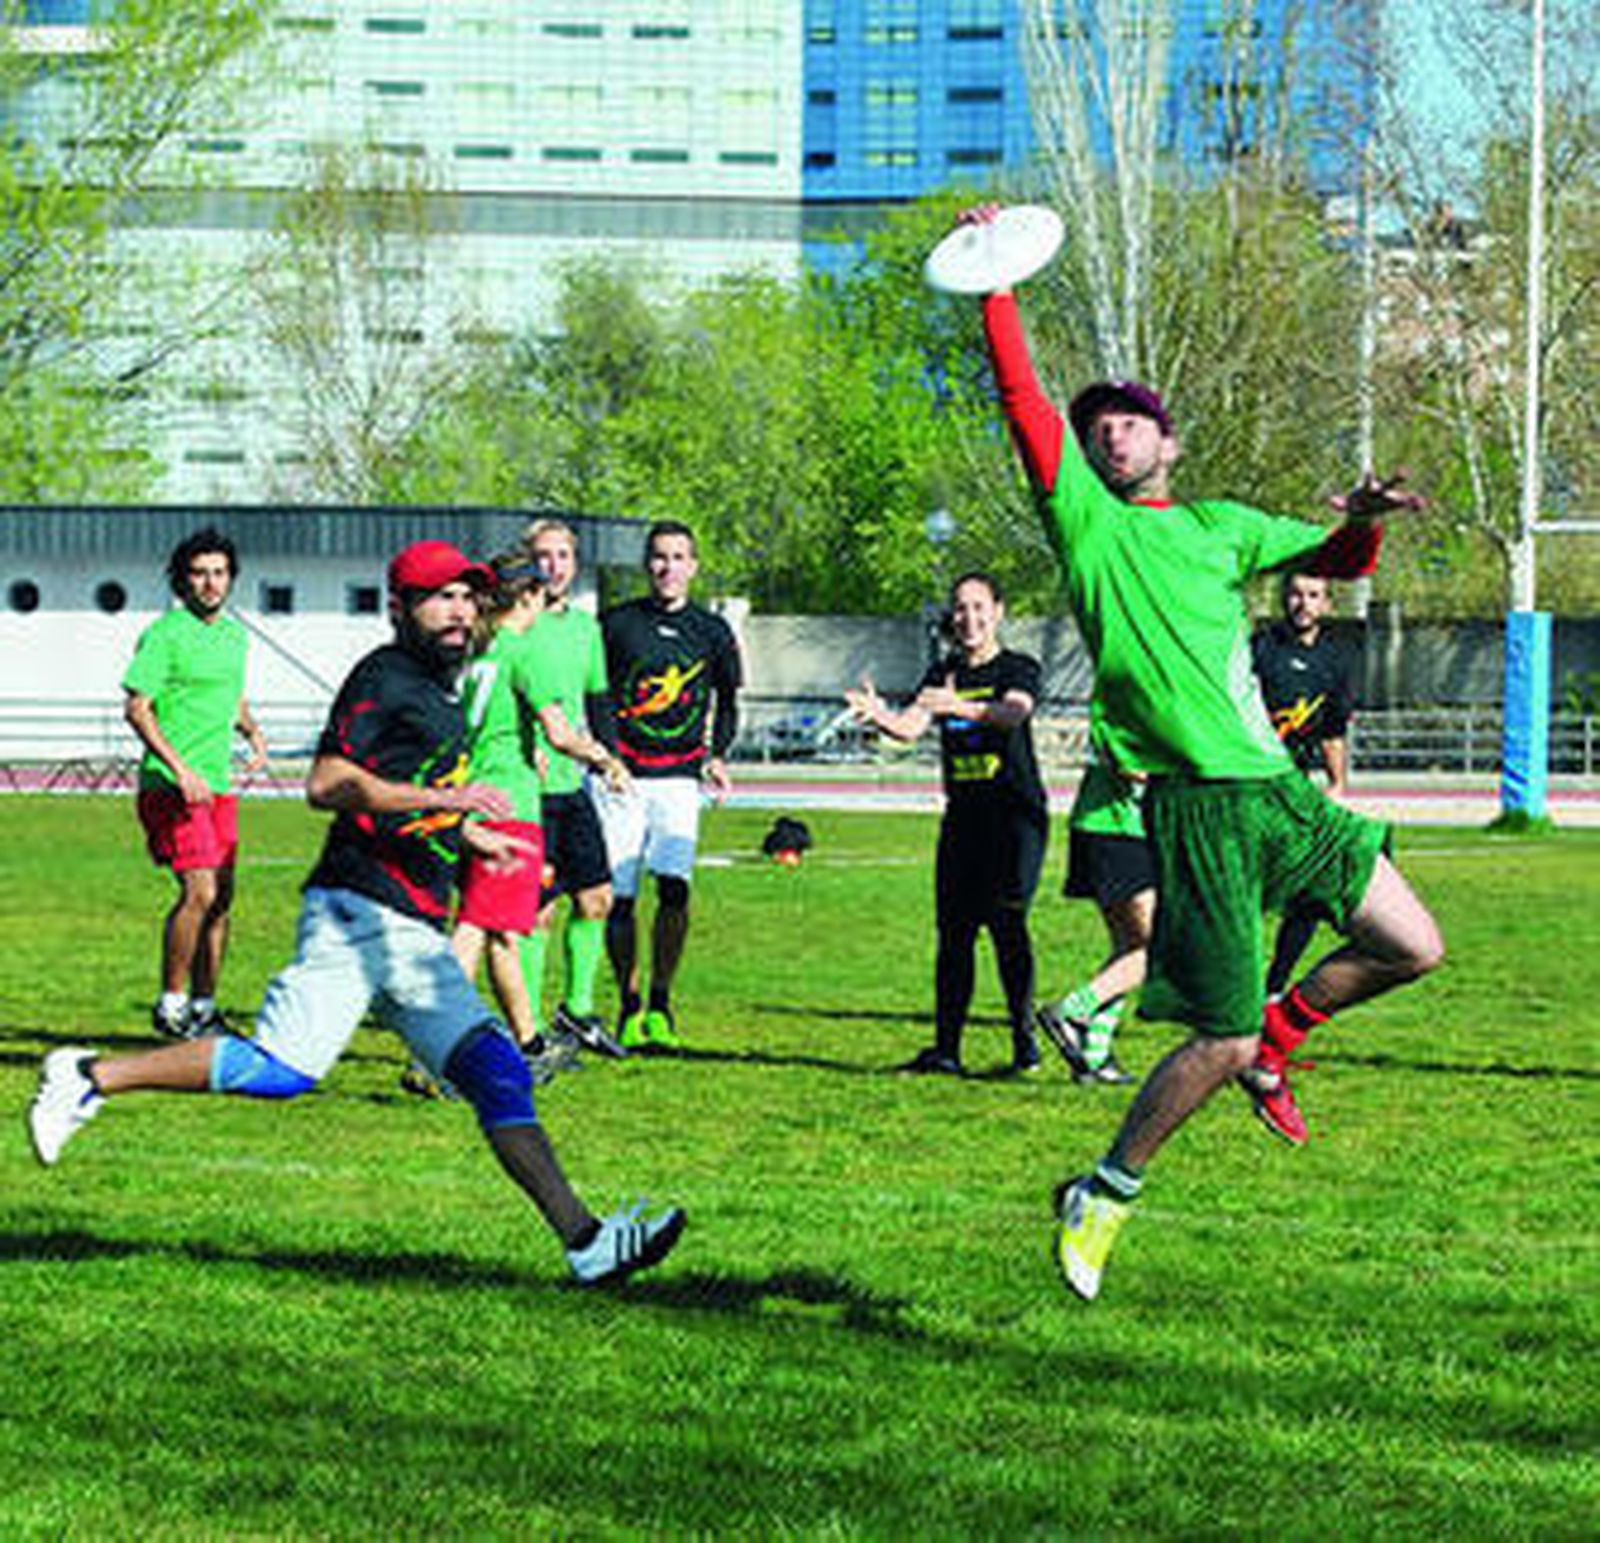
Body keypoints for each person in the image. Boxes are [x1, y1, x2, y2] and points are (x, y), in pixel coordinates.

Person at [958, 205, 1444, 1301]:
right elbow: (1023, 400)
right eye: (1098, 428)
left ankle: (1284, 1031)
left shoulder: (1222, 523)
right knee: (1212, 1041)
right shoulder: (1084, 522)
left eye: (1130, 423)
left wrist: (1365, 517)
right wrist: (996, 280)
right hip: (1198, 808)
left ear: (1168, 441)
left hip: (1277, 791)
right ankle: (1106, 1188)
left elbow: (1340, 557)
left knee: (1413, 942)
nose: (1109, 433)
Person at [29, 540, 685, 1287]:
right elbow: (328, 780)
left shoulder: (444, 686)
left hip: (407, 921)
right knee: (282, 1069)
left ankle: (587, 1243)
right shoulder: (388, 675)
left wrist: (468, 832)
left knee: (500, 1073)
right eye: (439, 597)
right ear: (398, 608)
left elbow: (406, 794)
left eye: (468, 597)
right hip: (359, 911)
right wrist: (447, 802)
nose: (459, 610)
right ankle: (87, 1075)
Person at [846, 572, 1047, 1077]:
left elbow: (1013, 713)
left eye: (979, 607)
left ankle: (1026, 1046)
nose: (969, 618)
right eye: (960, 608)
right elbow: (912, 727)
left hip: (1014, 821)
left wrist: (958, 706)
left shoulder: (1017, 667)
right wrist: (878, 714)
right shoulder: (941, 672)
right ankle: (946, 1050)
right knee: (954, 934)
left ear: (998, 611)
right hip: (964, 822)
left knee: (1007, 927)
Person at [451, 551, 630, 1062]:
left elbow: (483, 726)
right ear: (529, 595)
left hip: (474, 797)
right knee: (474, 930)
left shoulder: (477, 653)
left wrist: (525, 747)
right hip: (510, 806)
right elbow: (561, 732)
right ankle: (439, 1049)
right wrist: (604, 759)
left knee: (501, 930)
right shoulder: (522, 650)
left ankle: (529, 1045)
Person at [599, 520, 742, 1050]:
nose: (668, 567)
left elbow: (729, 700)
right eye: (659, 557)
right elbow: (595, 694)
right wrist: (607, 755)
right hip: (622, 780)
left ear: (694, 566)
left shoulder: (712, 631)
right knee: (620, 898)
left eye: (679, 557)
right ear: (647, 564)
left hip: (680, 781)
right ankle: (628, 1005)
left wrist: (719, 754)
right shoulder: (615, 624)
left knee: (675, 891)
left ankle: (661, 1002)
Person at [123, 527, 268, 1040]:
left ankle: (205, 1009)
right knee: (200, 891)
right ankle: (172, 1004)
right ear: (182, 580)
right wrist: (181, 769)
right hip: (172, 787)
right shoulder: (165, 634)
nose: (210, 583)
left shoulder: (234, 636)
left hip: (218, 788)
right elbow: (137, 709)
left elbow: (230, 696)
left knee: (223, 897)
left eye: (219, 573)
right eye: (200, 573)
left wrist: (252, 732)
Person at [516, 520, 630, 1062]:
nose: (553, 565)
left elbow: (598, 699)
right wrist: (525, 747)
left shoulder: (586, 629)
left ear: (574, 564)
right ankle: (531, 1027)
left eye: (562, 555)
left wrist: (612, 760)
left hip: (573, 784)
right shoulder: (513, 627)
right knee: (537, 912)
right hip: (529, 789)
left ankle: (578, 1012)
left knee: (596, 898)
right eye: (543, 555)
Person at [1252, 569, 1360, 1012]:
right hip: (1252, 783)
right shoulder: (1260, 649)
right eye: (1295, 594)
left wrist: (1337, 785)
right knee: (1243, 892)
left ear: (1327, 604)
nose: (1303, 603)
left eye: (1313, 595)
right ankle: (1227, 989)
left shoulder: (1336, 660)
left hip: (1298, 787)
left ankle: (1273, 987)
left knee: (1311, 891)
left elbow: (1332, 730)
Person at [1032, 761, 1151, 1086]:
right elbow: (1126, 763)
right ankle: (1070, 1011)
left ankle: (1094, 1059)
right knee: (1155, 950)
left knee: (1129, 950)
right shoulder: (1124, 710)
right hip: (1116, 830)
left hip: (1117, 829)